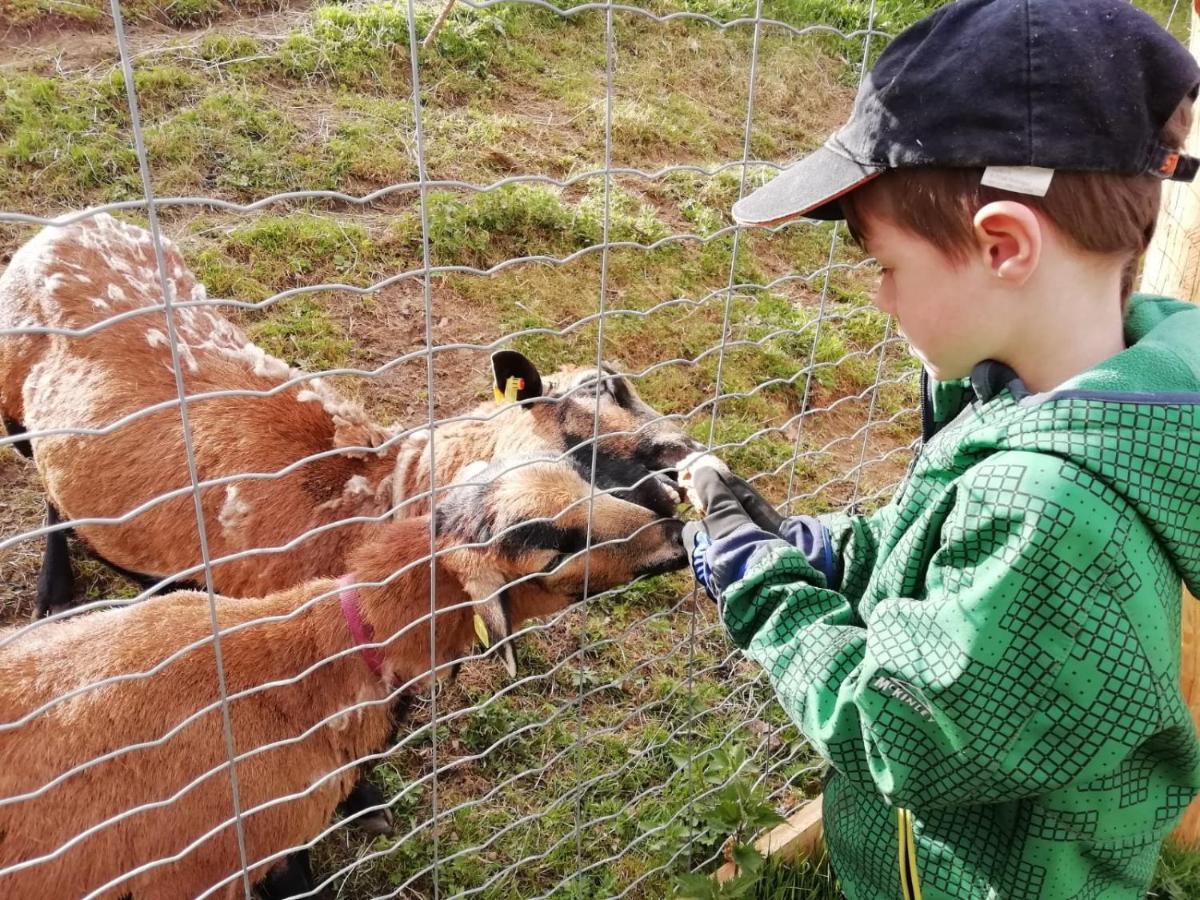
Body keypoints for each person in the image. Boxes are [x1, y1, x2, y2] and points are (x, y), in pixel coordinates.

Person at [681, 1, 1200, 897]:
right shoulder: (1042, 404)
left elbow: (901, 730)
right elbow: (948, 563)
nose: (881, 300)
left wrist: (769, 595)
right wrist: (836, 552)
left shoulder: (1051, 510)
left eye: (887, 267)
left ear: (1004, 245)